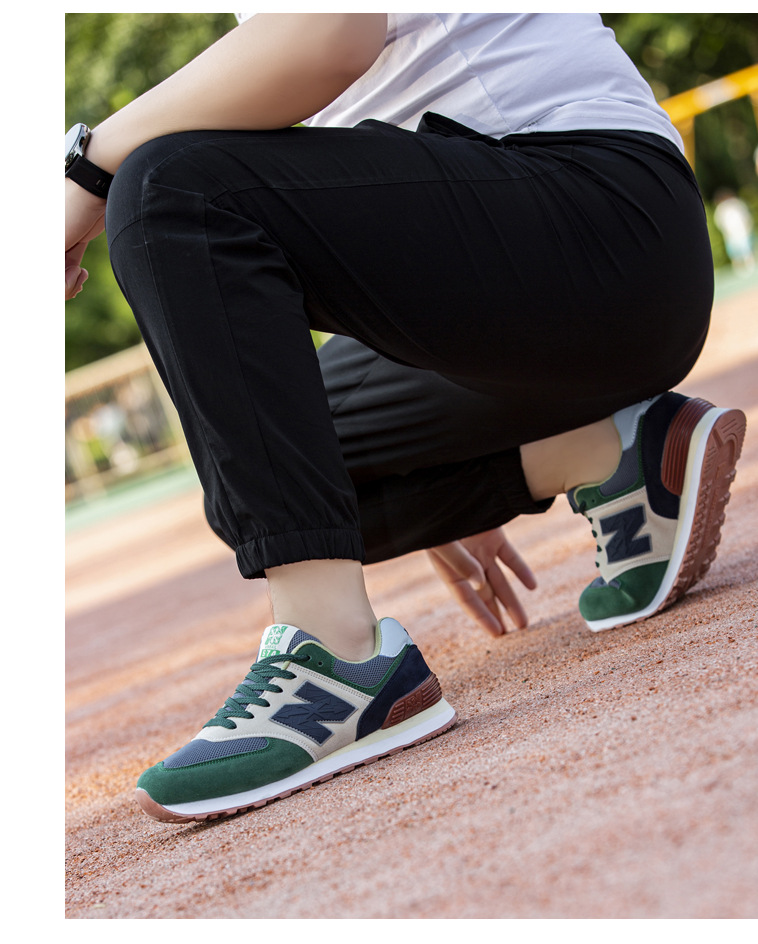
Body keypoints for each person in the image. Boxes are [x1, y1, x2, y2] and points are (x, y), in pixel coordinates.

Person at [65, 13, 746, 824]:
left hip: (602, 221)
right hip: (522, 267)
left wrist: (85, 170)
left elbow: (325, 37)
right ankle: (605, 451)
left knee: (169, 188)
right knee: (268, 466)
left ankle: (336, 656)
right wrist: (456, 457)